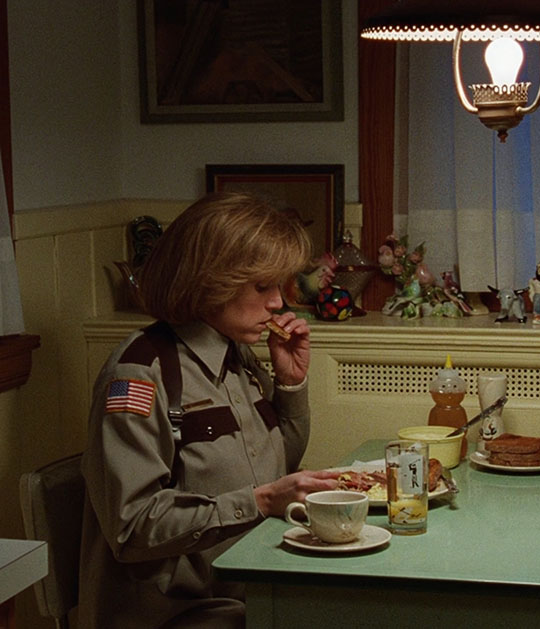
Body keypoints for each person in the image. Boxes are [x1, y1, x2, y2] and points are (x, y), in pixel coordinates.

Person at [79, 192, 344, 628]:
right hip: (181, 612)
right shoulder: (142, 373)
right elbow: (132, 527)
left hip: (247, 586)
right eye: (262, 287)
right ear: (210, 281)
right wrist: (259, 502)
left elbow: (277, 465)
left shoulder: (238, 357)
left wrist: (291, 383)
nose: (278, 303)